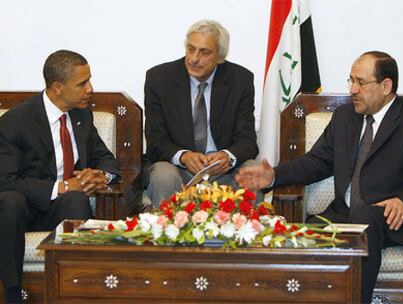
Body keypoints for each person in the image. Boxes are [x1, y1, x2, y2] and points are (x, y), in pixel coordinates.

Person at [236, 51, 403, 303]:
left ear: (386, 86)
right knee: (302, 235)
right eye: (350, 80)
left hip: (395, 219)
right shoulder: (345, 118)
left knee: (364, 219)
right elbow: (317, 162)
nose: (353, 89)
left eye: (361, 83)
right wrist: (274, 175)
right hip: (345, 213)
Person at [0, 50, 120, 303]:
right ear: (57, 87)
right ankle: (12, 293)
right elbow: (5, 179)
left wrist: (101, 176)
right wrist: (63, 186)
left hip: (57, 209)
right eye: (82, 83)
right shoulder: (15, 121)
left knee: (77, 199)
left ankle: (78, 289)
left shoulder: (81, 115)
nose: (90, 88)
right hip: (22, 209)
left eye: (89, 80)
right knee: (10, 201)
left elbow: (107, 160)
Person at [144, 19, 259, 207]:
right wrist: (183, 156)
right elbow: (155, 140)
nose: (194, 58)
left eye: (204, 52)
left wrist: (227, 157)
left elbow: (247, 141)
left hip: (224, 173)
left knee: (253, 171)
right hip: (178, 170)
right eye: (190, 49)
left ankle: (245, 235)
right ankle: (167, 234)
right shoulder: (159, 78)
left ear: (220, 57)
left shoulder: (240, 80)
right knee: (163, 175)